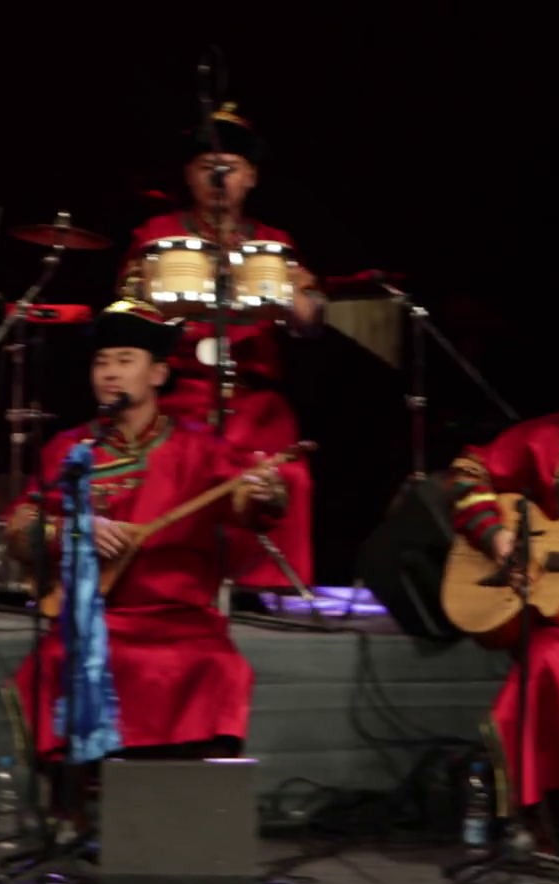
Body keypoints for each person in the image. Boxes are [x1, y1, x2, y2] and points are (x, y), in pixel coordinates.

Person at [6, 302, 287, 760]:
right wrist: (76, 529)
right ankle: (77, 793)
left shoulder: (198, 447)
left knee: (219, 665)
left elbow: (244, 506)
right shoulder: (71, 449)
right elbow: (20, 529)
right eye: (101, 362)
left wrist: (266, 494)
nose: (110, 373)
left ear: (158, 373)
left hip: (181, 622)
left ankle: (185, 788)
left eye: (125, 360)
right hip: (94, 618)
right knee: (56, 662)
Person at [119, 102, 323, 590]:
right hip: (180, 395)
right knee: (168, 465)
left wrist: (296, 300)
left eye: (230, 168)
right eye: (207, 167)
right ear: (189, 176)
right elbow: (125, 312)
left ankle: (262, 586)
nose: (219, 178)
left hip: (254, 401)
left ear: (251, 177)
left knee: (285, 475)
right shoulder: (157, 234)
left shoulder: (274, 242)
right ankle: (169, 578)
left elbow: (311, 320)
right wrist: (145, 292)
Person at [447, 417, 559, 826]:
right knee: (550, 663)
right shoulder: (545, 437)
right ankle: (543, 817)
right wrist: (496, 537)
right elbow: (467, 475)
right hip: (554, 620)